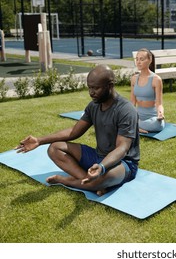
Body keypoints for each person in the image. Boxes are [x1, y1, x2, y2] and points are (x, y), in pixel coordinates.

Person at [15, 65, 140, 196]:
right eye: (89, 87)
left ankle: (66, 181)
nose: (91, 92)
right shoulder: (94, 106)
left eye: (96, 88)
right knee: (54, 148)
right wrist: (39, 141)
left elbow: (122, 148)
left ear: (110, 86)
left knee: (101, 180)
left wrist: (102, 167)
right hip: (98, 156)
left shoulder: (126, 110)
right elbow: (74, 132)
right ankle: (88, 181)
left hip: (124, 163)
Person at [131, 48, 165, 133]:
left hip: (152, 118)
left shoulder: (156, 79)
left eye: (141, 59)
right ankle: (136, 126)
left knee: (158, 125)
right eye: (137, 59)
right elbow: (132, 102)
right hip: (138, 115)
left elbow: (159, 104)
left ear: (150, 60)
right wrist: (130, 117)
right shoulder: (134, 79)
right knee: (122, 119)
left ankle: (135, 127)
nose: (138, 62)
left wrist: (160, 113)